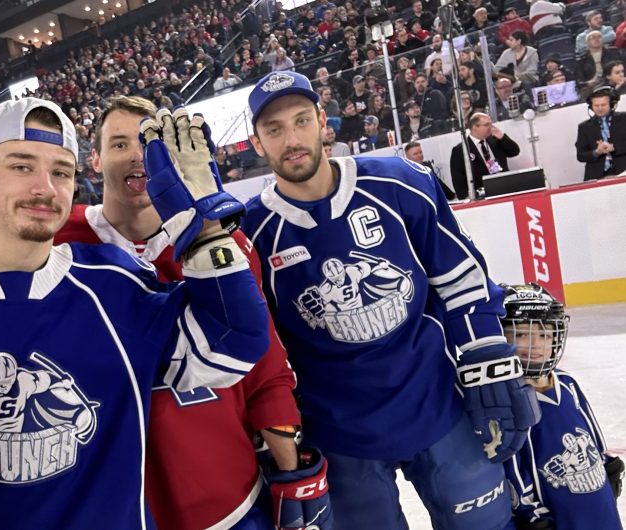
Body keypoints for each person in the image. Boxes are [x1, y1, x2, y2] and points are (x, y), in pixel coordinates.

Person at [0, 98, 276, 530]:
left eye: (60, 171)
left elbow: (235, 343)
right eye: (21, 166)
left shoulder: (112, 282)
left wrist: (206, 230)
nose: (45, 188)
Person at [243, 70, 539, 529]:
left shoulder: (400, 183)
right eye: (274, 129)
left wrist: (486, 354)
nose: (292, 139)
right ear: (257, 143)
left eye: (301, 121)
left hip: (436, 405)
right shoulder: (254, 232)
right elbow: (261, 343)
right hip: (338, 434)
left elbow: (461, 277)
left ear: (324, 122)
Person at [54, 95, 329, 530]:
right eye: (120, 143)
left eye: (148, 142)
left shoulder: (226, 245)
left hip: (228, 501)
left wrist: (291, 474)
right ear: (95, 158)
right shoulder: (55, 245)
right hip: (109, 509)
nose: (137, 156)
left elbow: (266, 372)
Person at [500, 284, 624, 530]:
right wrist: (533, 515)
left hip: (597, 502)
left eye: (545, 335)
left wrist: (605, 463)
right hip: (558, 514)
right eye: (522, 334)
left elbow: (591, 430)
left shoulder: (566, 383)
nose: (536, 344)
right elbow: (513, 468)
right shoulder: (505, 400)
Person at [449, 113, 521, 199]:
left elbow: (514, 152)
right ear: (475, 127)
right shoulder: (461, 150)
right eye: (487, 125)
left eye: (491, 124)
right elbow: (458, 181)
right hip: (482, 197)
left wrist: (502, 137)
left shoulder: (495, 140)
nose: (491, 127)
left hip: (505, 190)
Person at [575, 86, 626, 180]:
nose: (600, 108)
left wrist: (614, 147)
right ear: (591, 107)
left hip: (623, 170)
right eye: (596, 106)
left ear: (611, 104)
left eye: (603, 105)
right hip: (596, 176)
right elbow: (580, 155)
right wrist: (597, 152)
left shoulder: (624, 119)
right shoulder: (584, 127)